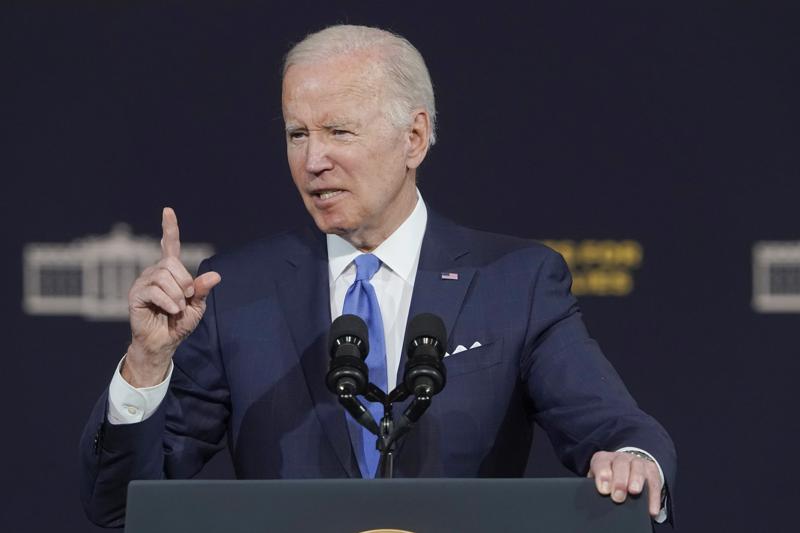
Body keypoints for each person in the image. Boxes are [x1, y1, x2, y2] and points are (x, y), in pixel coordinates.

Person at [80, 24, 676, 527]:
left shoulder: (513, 282)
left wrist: (630, 458)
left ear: (413, 137)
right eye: (297, 134)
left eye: (339, 131)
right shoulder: (237, 291)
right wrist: (146, 365)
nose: (313, 161)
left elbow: (619, 430)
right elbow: (123, 509)